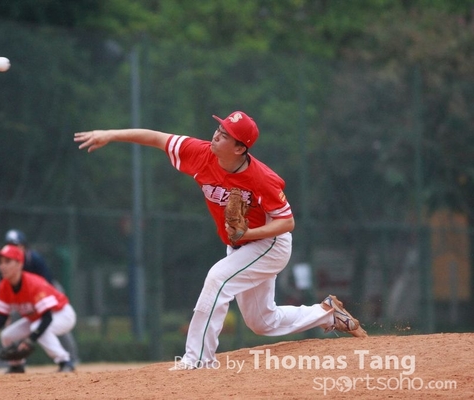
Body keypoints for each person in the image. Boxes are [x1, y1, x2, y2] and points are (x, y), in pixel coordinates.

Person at [74, 111, 367, 371]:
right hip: (241, 246)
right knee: (262, 322)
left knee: (218, 279)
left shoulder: (262, 178)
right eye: (219, 129)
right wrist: (111, 134)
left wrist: (248, 235)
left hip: (270, 244)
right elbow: (157, 138)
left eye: (225, 135)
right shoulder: (200, 153)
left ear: (240, 148)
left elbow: (287, 222)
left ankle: (197, 359)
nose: (216, 135)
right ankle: (327, 314)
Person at [0, 244, 77, 373]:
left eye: (7, 261)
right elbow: (3, 315)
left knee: (36, 328)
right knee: (6, 335)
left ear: (19, 264)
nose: (2, 266)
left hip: (62, 314)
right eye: (0, 262)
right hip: (38, 318)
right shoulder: (4, 286)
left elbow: (47, 318)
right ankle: (17, 366)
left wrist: (30, 340)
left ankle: (65, 361)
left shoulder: (34, 284)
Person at [3, 229, 81, 367]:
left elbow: (47, 284)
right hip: (25, 297)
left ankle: (71, 357)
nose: (13, 248)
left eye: (16, 245)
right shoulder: (6, 264)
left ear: (24, 246)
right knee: (12, 328)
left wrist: (39, 302)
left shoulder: (34, 259)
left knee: (55, 324)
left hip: (46, 291)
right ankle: (13, 362)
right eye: (9, 245)